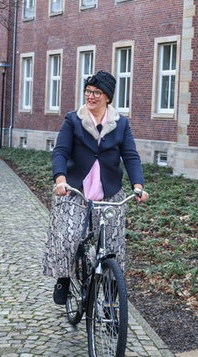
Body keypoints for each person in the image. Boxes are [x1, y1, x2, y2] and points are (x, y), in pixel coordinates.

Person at [43, 70, 149, 305]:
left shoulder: (120, 124)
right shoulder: (73, 120)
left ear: (108, 97)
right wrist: (60, 180)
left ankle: (111, 302)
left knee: (113, 249)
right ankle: (63, 278)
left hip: (109, 193)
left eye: (96, 93)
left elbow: (131, 157)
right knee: (69, 237)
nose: (90, 97)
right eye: (88, 92)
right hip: (75, 190)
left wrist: (138, 186)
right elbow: (60, 151)